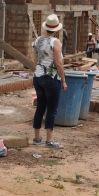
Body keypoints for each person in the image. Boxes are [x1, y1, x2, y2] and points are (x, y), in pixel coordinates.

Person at [31, 14, 67, 149]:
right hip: (51, 78)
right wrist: (63, 81)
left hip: (38, 76)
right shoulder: (55, 42)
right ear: (56, 28)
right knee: (51, 109)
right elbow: (59, 63)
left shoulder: (37, 40)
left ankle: (36, 137)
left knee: (40, 106)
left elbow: (35, 61)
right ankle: (49, 140)